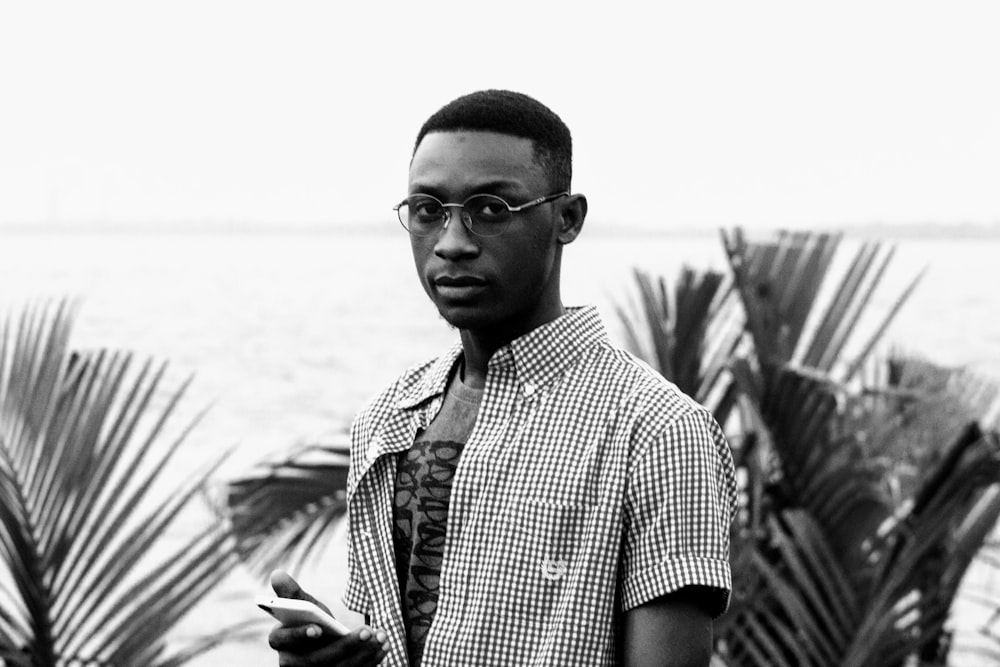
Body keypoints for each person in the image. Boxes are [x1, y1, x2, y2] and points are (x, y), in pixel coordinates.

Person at [268, 89, 738, 666]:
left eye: (491, 209)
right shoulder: (388, 419)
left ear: (567, 219)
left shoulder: (657, 432)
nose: (452, 243)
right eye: (427, 210)